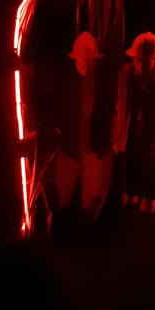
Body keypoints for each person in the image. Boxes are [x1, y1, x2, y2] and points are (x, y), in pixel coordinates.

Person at [40, 31, 117, 228]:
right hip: (69, 146)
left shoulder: (102, 83)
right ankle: (62, 230)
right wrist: (56, 132)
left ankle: (86, 232)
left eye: (90, 60)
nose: (87, 63)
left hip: (93, 148)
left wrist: (107, 143)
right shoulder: (66, 83)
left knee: (90, 199)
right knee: (64, 197)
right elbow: (53, 107)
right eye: (84, 59)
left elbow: (108, 113)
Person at [114, 32, 155, 214]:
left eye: (145, 61)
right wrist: (117, 136)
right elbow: (120, 106)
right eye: (137, 60)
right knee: (129, 194)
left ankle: (148, 224)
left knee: (150, 198)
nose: (140, 65)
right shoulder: (126, 75)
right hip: (130, 141)